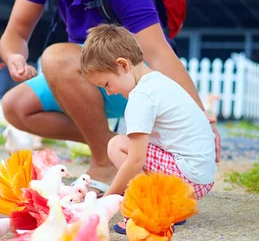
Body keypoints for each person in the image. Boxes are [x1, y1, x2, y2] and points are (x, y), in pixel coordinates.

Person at [0, 0, 220, 195]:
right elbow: (15, 34)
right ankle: (117, 149)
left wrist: (199, 117)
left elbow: (158, 52)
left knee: (54, 57)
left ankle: (104, 162)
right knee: (15, 108)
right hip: (85, 77)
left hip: (131, 80)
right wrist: (14, 56)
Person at [80, 23, 217, 201]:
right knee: (131, 143)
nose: (109, 92)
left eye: (106, 84)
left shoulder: (141, 97)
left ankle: (151, 204)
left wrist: (107, 199)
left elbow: (136, 161)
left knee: (117, 144)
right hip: (201, 178)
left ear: (123, 65)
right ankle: (170, 204)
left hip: (188, 179)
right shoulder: (159, 81)